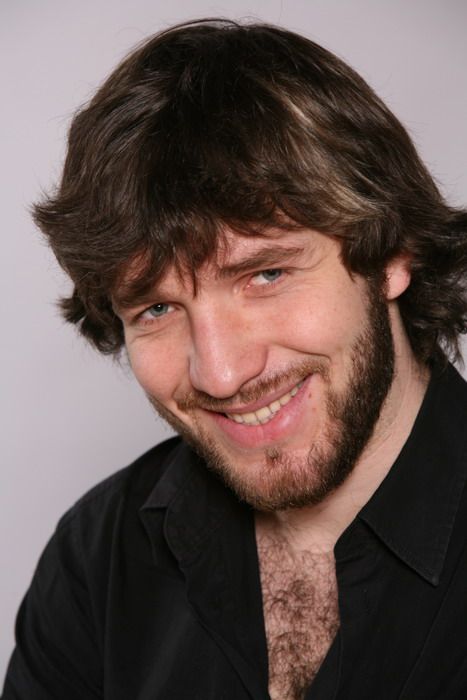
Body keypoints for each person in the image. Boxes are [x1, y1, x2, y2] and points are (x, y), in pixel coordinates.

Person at [3, 18, 467, 700]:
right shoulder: (98, 557)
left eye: (265, 275)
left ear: (391, 254)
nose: (220, 374)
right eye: (156, 309)